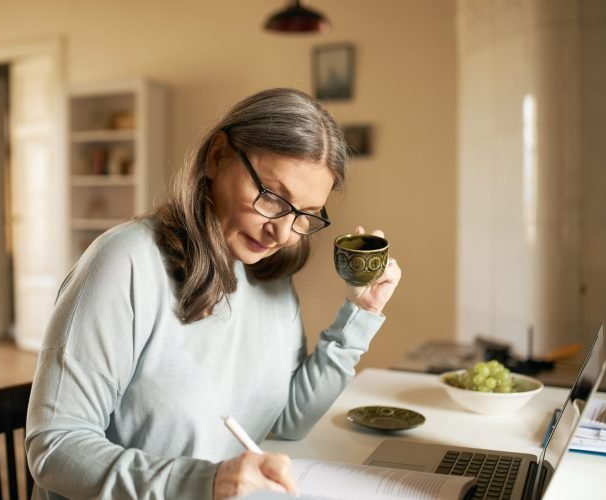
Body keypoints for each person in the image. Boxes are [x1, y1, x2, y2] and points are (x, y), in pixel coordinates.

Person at [25, 88, 402, 499]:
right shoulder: (123, 263)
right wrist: (205, 483)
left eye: (306, 215)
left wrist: (361, 312)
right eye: (273, 198)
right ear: (217, 155)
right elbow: (55, 447)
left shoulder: (269, 278)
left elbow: (289, 420)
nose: (281, 233)